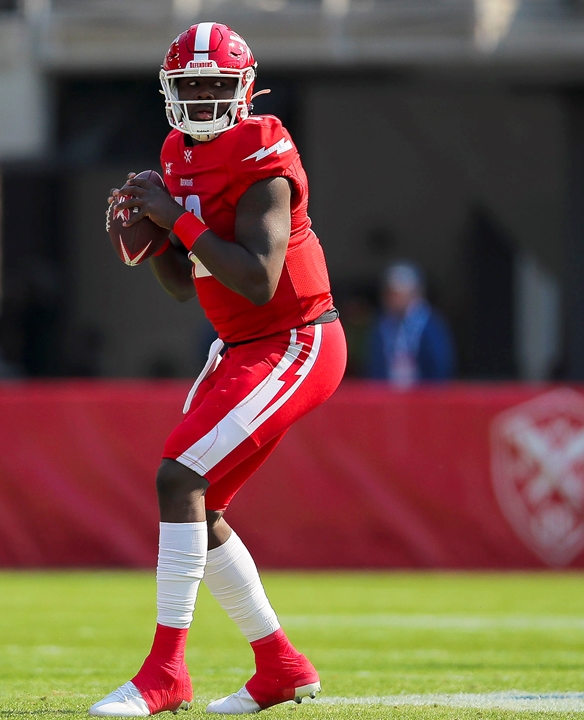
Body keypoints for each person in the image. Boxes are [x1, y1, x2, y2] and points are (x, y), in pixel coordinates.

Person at [93, 22, 346, 716]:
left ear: (245, 89)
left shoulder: (264, 144)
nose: (202, 98)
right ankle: (281, 667)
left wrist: (173, 215)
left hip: (297, 337)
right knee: (199, 508)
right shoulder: (175, 152)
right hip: (241, 346)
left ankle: (164, 674)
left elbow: (260, 277)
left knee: (179, 477)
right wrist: (146, 243)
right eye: (190, 86)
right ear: (170, 92)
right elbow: (185, 283)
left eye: (214, 85)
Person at [367, 262, 455, 387]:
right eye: (390, 293)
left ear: (413, 293)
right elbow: (374, 362)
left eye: (398, 293)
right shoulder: (382, 324)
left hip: (423, 395)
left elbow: (439, 363)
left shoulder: (431, 324)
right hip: (388, 393)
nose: (393, 299)